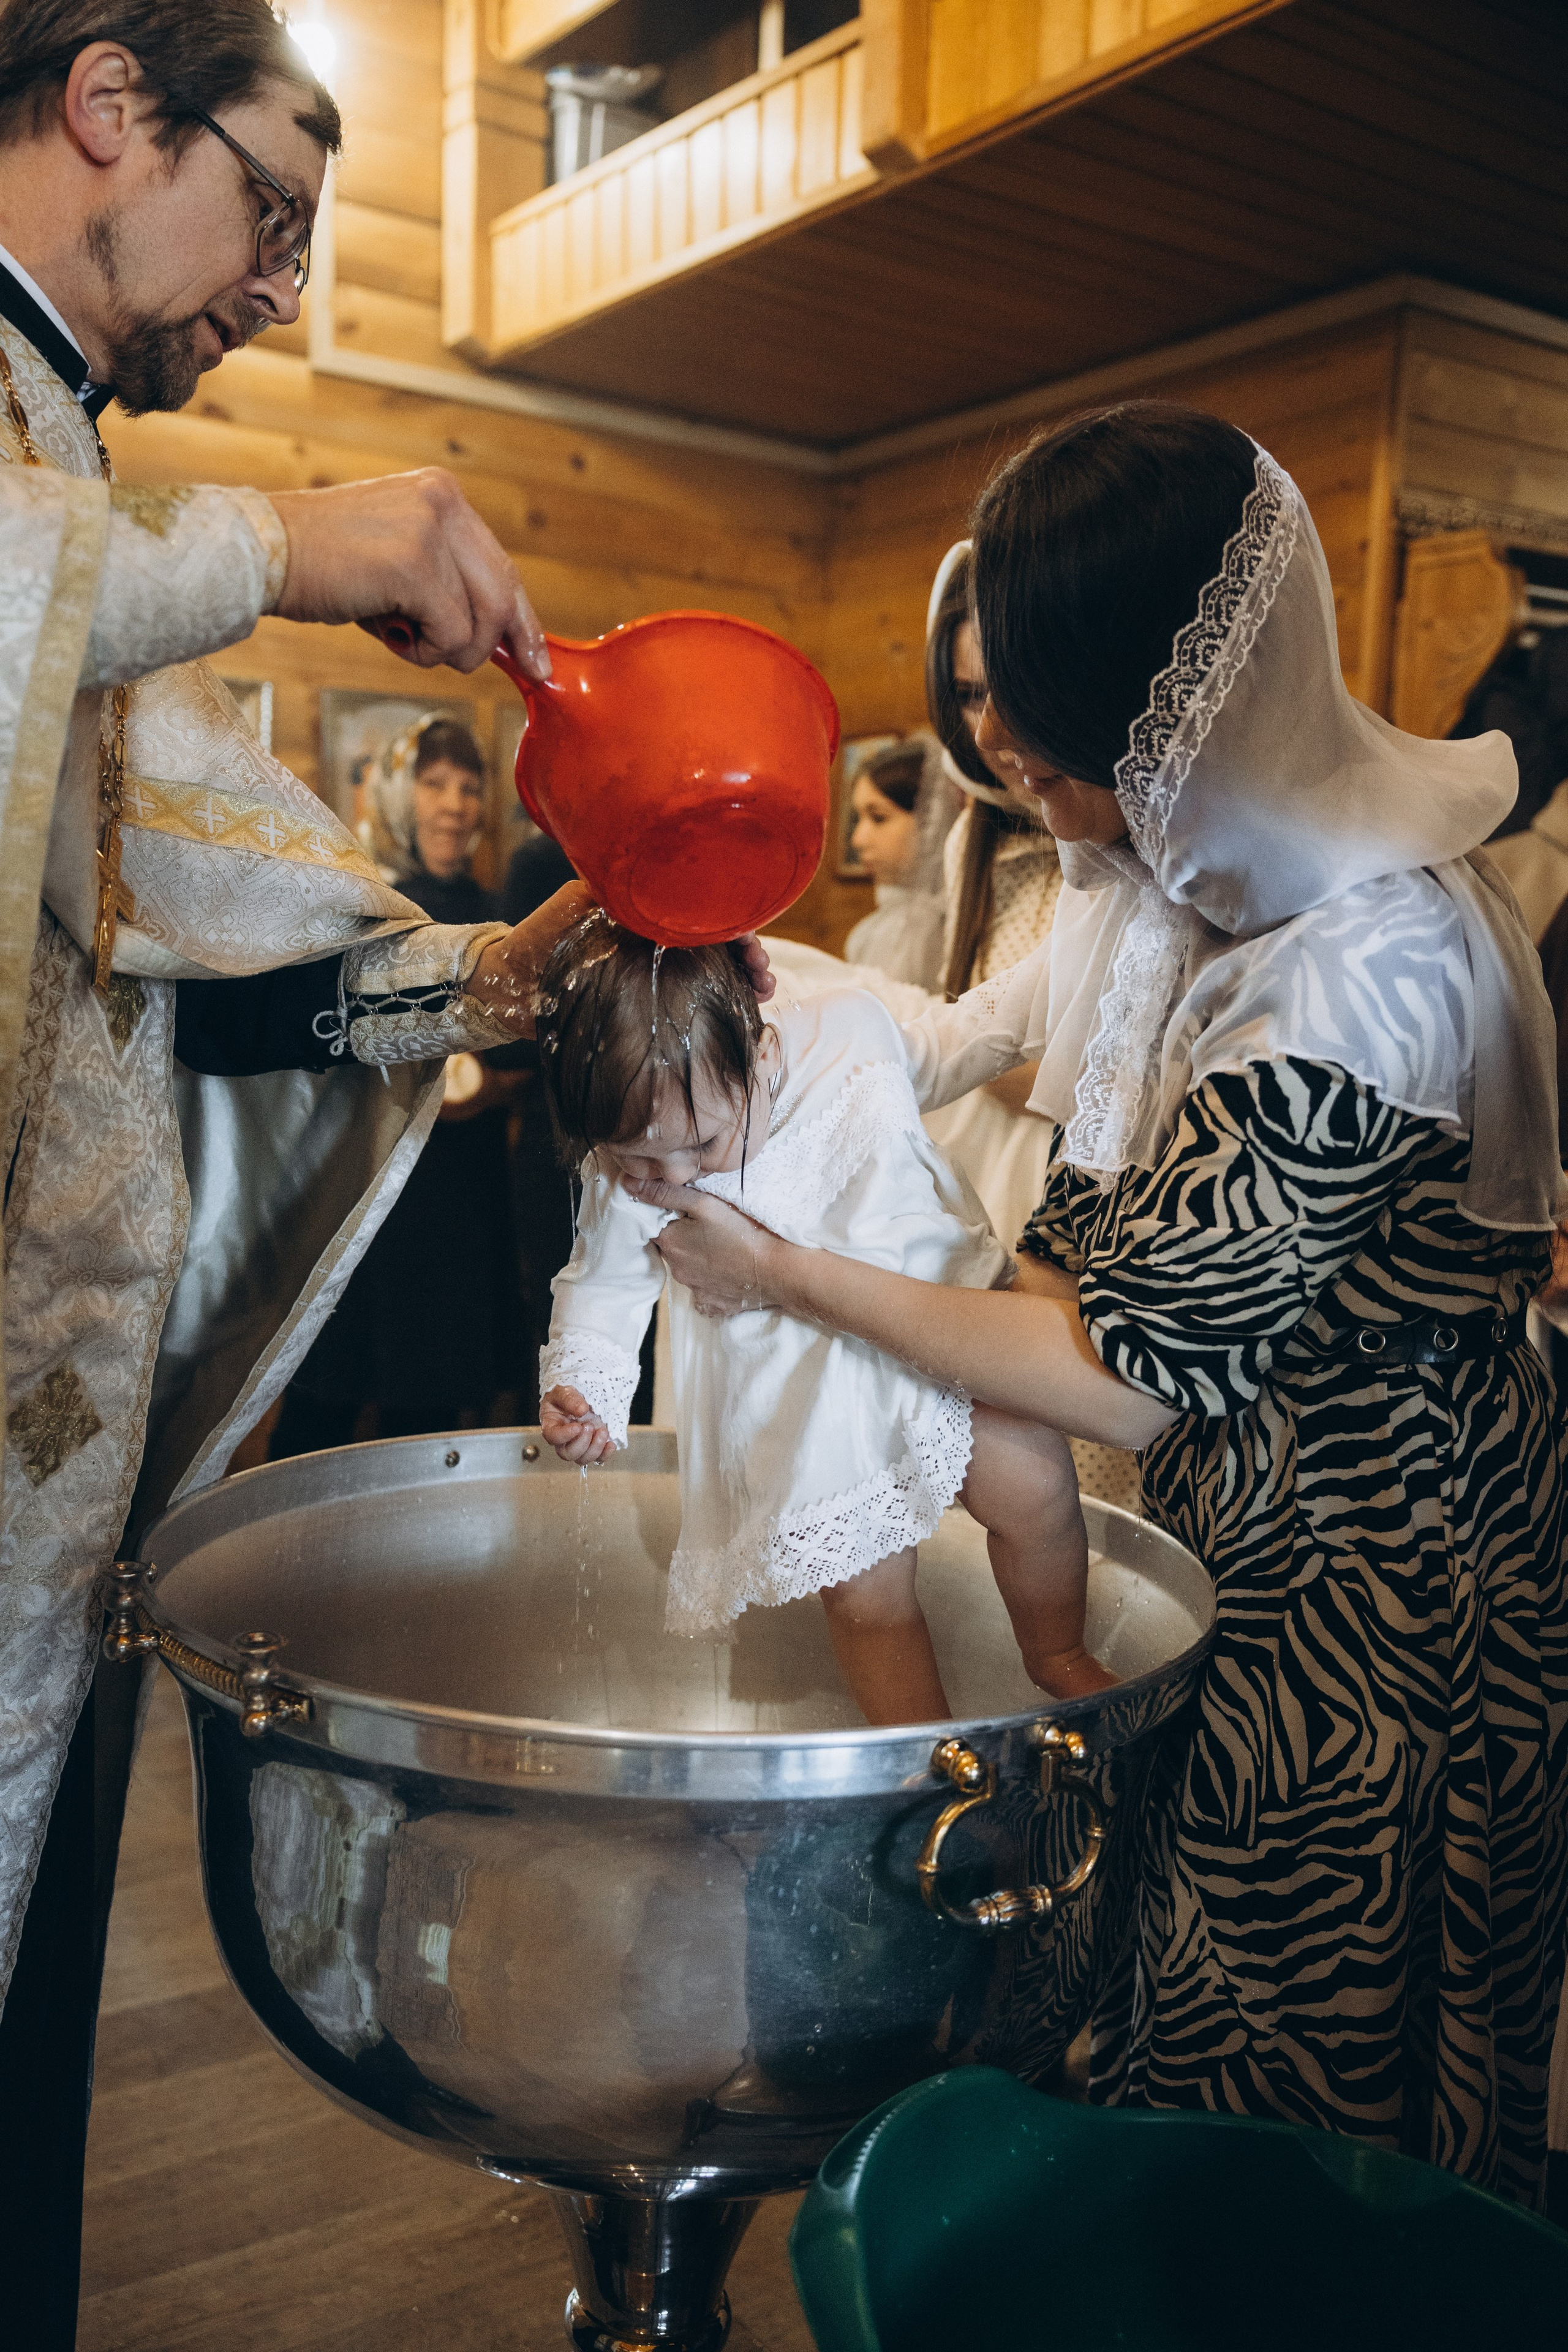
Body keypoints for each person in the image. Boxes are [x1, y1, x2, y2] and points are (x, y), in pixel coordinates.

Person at [641, 402, 1568, 2207]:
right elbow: (1003, 1107)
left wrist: (789, 1274)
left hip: (1386, 1567)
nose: (994, 745)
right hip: (1263, 1513)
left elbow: (1123, 1369)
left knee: (1300, 2025)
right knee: (1171, 1985)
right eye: (979, 695)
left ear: (1171, 701)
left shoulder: (1365, 960)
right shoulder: (1189, 890)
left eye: (1029, 709)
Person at [0, 11, 605, 2337]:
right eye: (274, 206)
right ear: (109, 104)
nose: (277, 287)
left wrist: (492, 977)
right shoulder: (87, 513)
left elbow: (201, 969)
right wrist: (288, 540)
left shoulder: (76, 477)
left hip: (49, 1491)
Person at [533, 916, 1113, 1717]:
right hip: (806, 1401)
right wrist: (584, 1387)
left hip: (939, 1322)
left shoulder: (849, 1033)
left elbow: (953, 1044)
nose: (670, 1176)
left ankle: (1058, 1653)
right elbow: (601, 1286)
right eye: (634, 1158)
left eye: (702, 1145)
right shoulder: (627, 1175)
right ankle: (924, 1756)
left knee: (1036, 1487)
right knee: (867, 1600)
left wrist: (1076, 953)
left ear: (763, 1060)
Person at [270, 717, 525, 1451]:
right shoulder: (367, 904)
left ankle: (414, 1563)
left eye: (470, 788)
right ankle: (285, 1563)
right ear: (391, 793)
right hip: (375, 1179)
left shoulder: (495, 910)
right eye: (434, 784)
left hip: (461, 1188)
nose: (455, 805)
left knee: (436, 1391)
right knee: (334, 1390)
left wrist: (494, 1086)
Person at [842, 733, 956, 991]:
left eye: (879, 818)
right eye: (858, 819)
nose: (858, 839)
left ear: (931, 823)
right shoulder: (874, 929)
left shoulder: (946, 932)